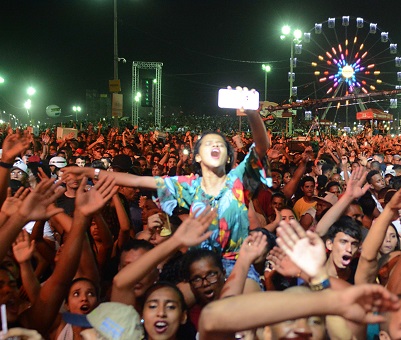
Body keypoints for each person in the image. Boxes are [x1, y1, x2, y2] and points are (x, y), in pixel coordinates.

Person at [62, 105, 270, 290]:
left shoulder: (238, 180)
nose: (215, 147)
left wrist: (251, 112)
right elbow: (136, 181)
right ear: (197, 157)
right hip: (199, 266)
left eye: (220, 145)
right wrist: (91, 173)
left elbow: (261, 147)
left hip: (236, 264)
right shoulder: (188, 185)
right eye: (208, 145)